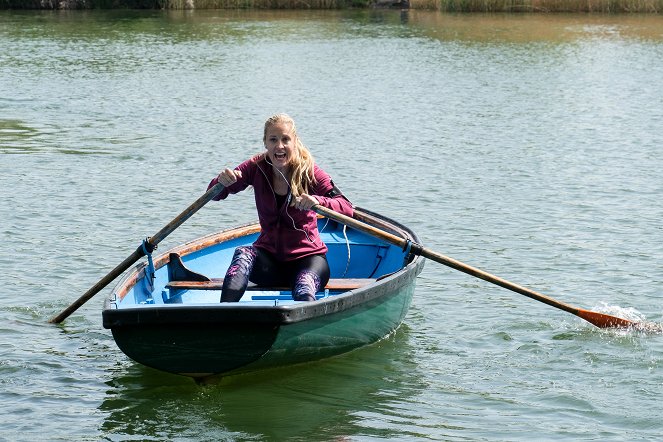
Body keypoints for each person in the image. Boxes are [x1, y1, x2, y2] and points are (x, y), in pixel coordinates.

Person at [208, 113, 354, 303]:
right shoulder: (255, 167)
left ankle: (303, 324)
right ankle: (223, 317)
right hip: (269, 264)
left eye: (285, 139)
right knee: (243, 254)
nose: (279, 146)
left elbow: (347, 208)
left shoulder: (310, 172)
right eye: (273, 140)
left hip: (308, 261)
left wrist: (318, 202)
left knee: (303, 287)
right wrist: (221, 182)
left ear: (295, 142)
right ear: (265, 143)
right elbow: (214, 194)